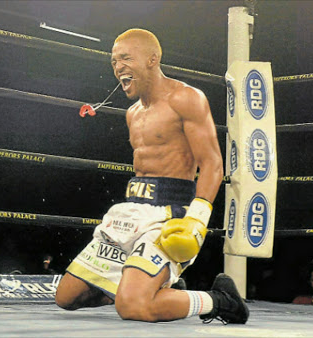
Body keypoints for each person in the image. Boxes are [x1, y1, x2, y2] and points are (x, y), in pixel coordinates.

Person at [55, 28, 248, 324]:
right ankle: (157, 285)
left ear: (152, 59)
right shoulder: (132, 113)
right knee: (67, 297)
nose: (118, 66)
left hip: (170, 215)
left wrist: (196, 220)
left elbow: (211, 164)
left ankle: (220, 301)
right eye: (114, 61)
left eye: (125, 58)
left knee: (132, 307)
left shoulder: (186, 98)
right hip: (131, 210)